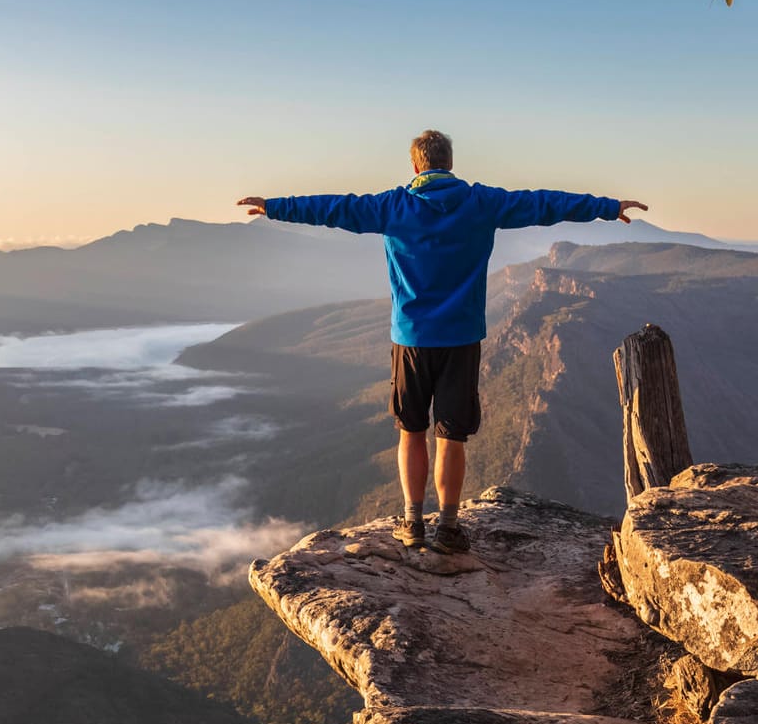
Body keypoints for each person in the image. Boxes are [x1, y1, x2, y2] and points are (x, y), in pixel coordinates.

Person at [237, 129, 645, 554]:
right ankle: (448, 528)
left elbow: (335, 209)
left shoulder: (393, 205)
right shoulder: (481, 202)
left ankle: (412, 524)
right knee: (451, 435)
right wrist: (607, 208)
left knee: (411, 431)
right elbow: (544, 203)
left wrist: (274, 208)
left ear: (416, 166)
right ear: (449, 163)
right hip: (462, 339)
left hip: (411, 340)